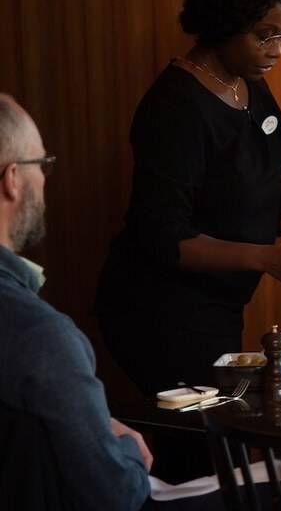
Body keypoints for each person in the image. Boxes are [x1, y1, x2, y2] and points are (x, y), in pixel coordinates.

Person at [95, 0, 281, 399]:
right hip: (159, 308)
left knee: (224, 423)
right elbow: (163, 236)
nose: (276, 50)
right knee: (206, 430)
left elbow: (272, 191)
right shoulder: (174, 108)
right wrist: (267, 258)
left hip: (219, 305)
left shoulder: (249, 84)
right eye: (264, 36)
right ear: (222, 24)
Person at [0, 94, 151, 510]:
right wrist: (121, 446)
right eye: (42, 165)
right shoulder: (40, 337)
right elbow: (116, 494)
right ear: (12, 179)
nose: (45, 179)